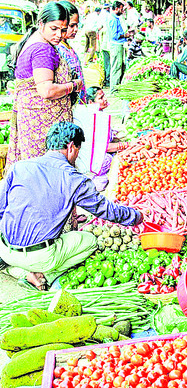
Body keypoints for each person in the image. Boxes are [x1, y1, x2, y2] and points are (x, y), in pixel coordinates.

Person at [0, 122, 142, 291]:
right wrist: (136, 216)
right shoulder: (73, 179)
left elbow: (2, 208)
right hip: (38, 256)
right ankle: (42, 276)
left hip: (4, 248)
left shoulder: (19, 167)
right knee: (90, 241)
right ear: (71, 147)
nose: (76, 156)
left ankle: (26, 266)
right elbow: (105, 210)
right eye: (78, 150)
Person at [8, 1, 82, 169]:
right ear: (41, 23)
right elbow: (46, 90)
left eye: (63, 30)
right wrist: (73, 86)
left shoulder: (35, 40)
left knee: (36, 171)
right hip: (41, 127)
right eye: (53, 29)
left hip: (33, 123)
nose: (59, 35)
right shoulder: (43, 50)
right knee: (46, 172)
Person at [57, 1, 87, 104]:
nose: (76, 29)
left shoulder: (67, 46)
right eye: (72, 25)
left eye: (77, 25)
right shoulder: (57, 49)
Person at [108, 1, 132, 93]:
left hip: (118, 45)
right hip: (116, 45)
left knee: (119, 66)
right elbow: (115, 35)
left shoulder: (115, 18)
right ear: (117, 8)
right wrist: (125, 35)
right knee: (116, 67)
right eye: (121, 9)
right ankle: (113, 89)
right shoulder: (113, 19)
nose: (122, 11)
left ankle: (116, 87)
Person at [99, 4, 112, 87]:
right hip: (109, 47)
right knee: (109, 63)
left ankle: (107, 80)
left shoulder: (103, 28)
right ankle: (108, 80)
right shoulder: (108, 17)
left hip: (104, 46)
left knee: (106, 63)